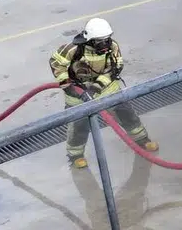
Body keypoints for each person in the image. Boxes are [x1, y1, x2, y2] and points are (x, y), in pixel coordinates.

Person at [50, 18, 158, 169]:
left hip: (108, 90)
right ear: (90, 40)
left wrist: (96, 87)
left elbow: (115, 68)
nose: (106, 44)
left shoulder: (112, 46)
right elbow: (56, 63)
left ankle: (142, 140)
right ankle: (75, 155)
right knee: (78, 126)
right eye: (101, 42)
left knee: (127, 115)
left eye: (107, 40)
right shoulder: (71, 50)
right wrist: (68, 86)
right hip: (77, 95)